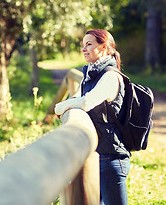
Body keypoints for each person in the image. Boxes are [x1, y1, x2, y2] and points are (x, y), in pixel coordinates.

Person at [54, 29, 130, 205]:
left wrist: (60, 107)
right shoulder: (91, 74)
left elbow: (87, 102)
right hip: (98, 156)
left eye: (89, 44)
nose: (84, 49)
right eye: (83, 45)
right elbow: (77, 98)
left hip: (112, 159)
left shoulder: (110, 76)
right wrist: (69, 104)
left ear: (103, 48)